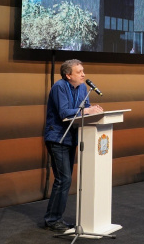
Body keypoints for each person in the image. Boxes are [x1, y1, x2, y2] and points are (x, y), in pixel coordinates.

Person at [43, 59, 104, 233]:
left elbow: (86, 108)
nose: (83, 75)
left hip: (72, 137)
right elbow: (64, 112)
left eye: (83, 71)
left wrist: (94, 110)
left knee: (65, 179)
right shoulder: (59, 87)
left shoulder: (83, 88)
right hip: (58, 138)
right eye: (79, 72)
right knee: (64, 179)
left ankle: (54, 218)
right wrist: (87, 110)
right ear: (68, 75)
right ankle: (52, 220)